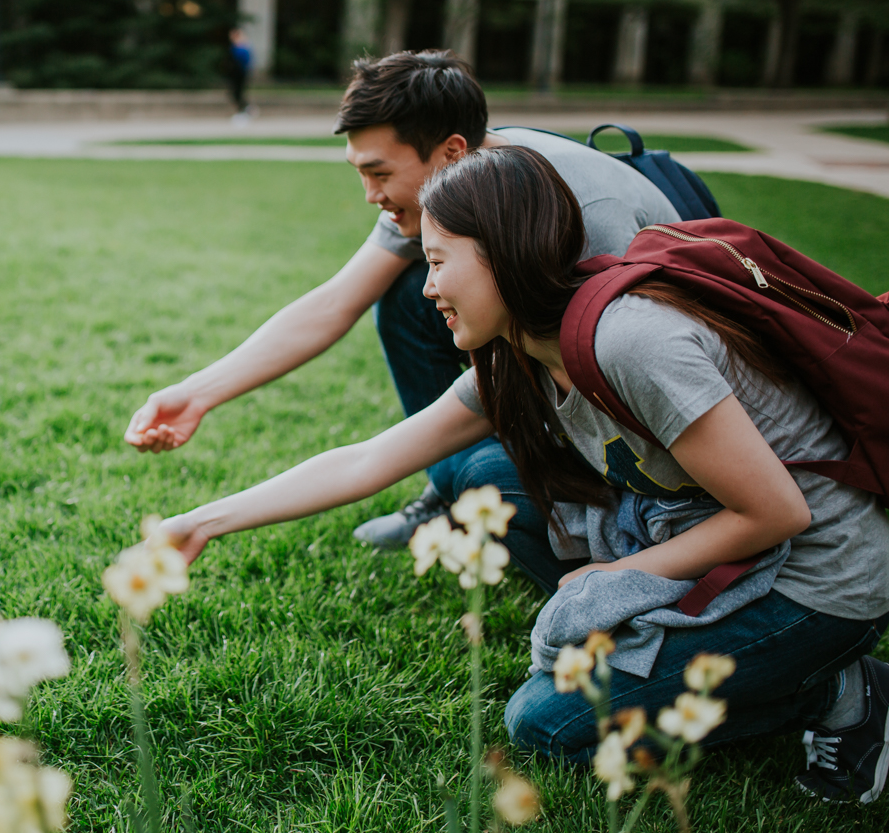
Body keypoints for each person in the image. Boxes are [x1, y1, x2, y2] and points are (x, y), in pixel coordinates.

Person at [154, 145, 889, 800]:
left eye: (439, 262)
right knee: (478, 478)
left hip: (822, 577)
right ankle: (689, 648)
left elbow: (779, 513)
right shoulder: (517, 351)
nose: (428, 288)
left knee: (546, 725)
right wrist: (204, 521)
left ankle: (837, 691)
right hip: (702, 524)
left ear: (503, 253)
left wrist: (616, 579)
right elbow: (371, 458)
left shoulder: (633, 341)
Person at [124, 49, 680, 560]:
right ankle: (448, 488)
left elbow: (651, 375)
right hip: (549, 364)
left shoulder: (578, 216)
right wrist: (196, 395)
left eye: (380, 173)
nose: (369, 195)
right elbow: (337, 303)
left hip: (654, 424)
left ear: (452, 152)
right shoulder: (458, 195)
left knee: (488, 476)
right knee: (404, 304)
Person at [227, 28, 253, 116]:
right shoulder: (237, 46)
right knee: (235, 92)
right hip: (235, 73)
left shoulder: (242, 47)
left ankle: (244, 110)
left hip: (240, 72)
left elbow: (243, 61)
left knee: (238, 92)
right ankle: (242, 110)